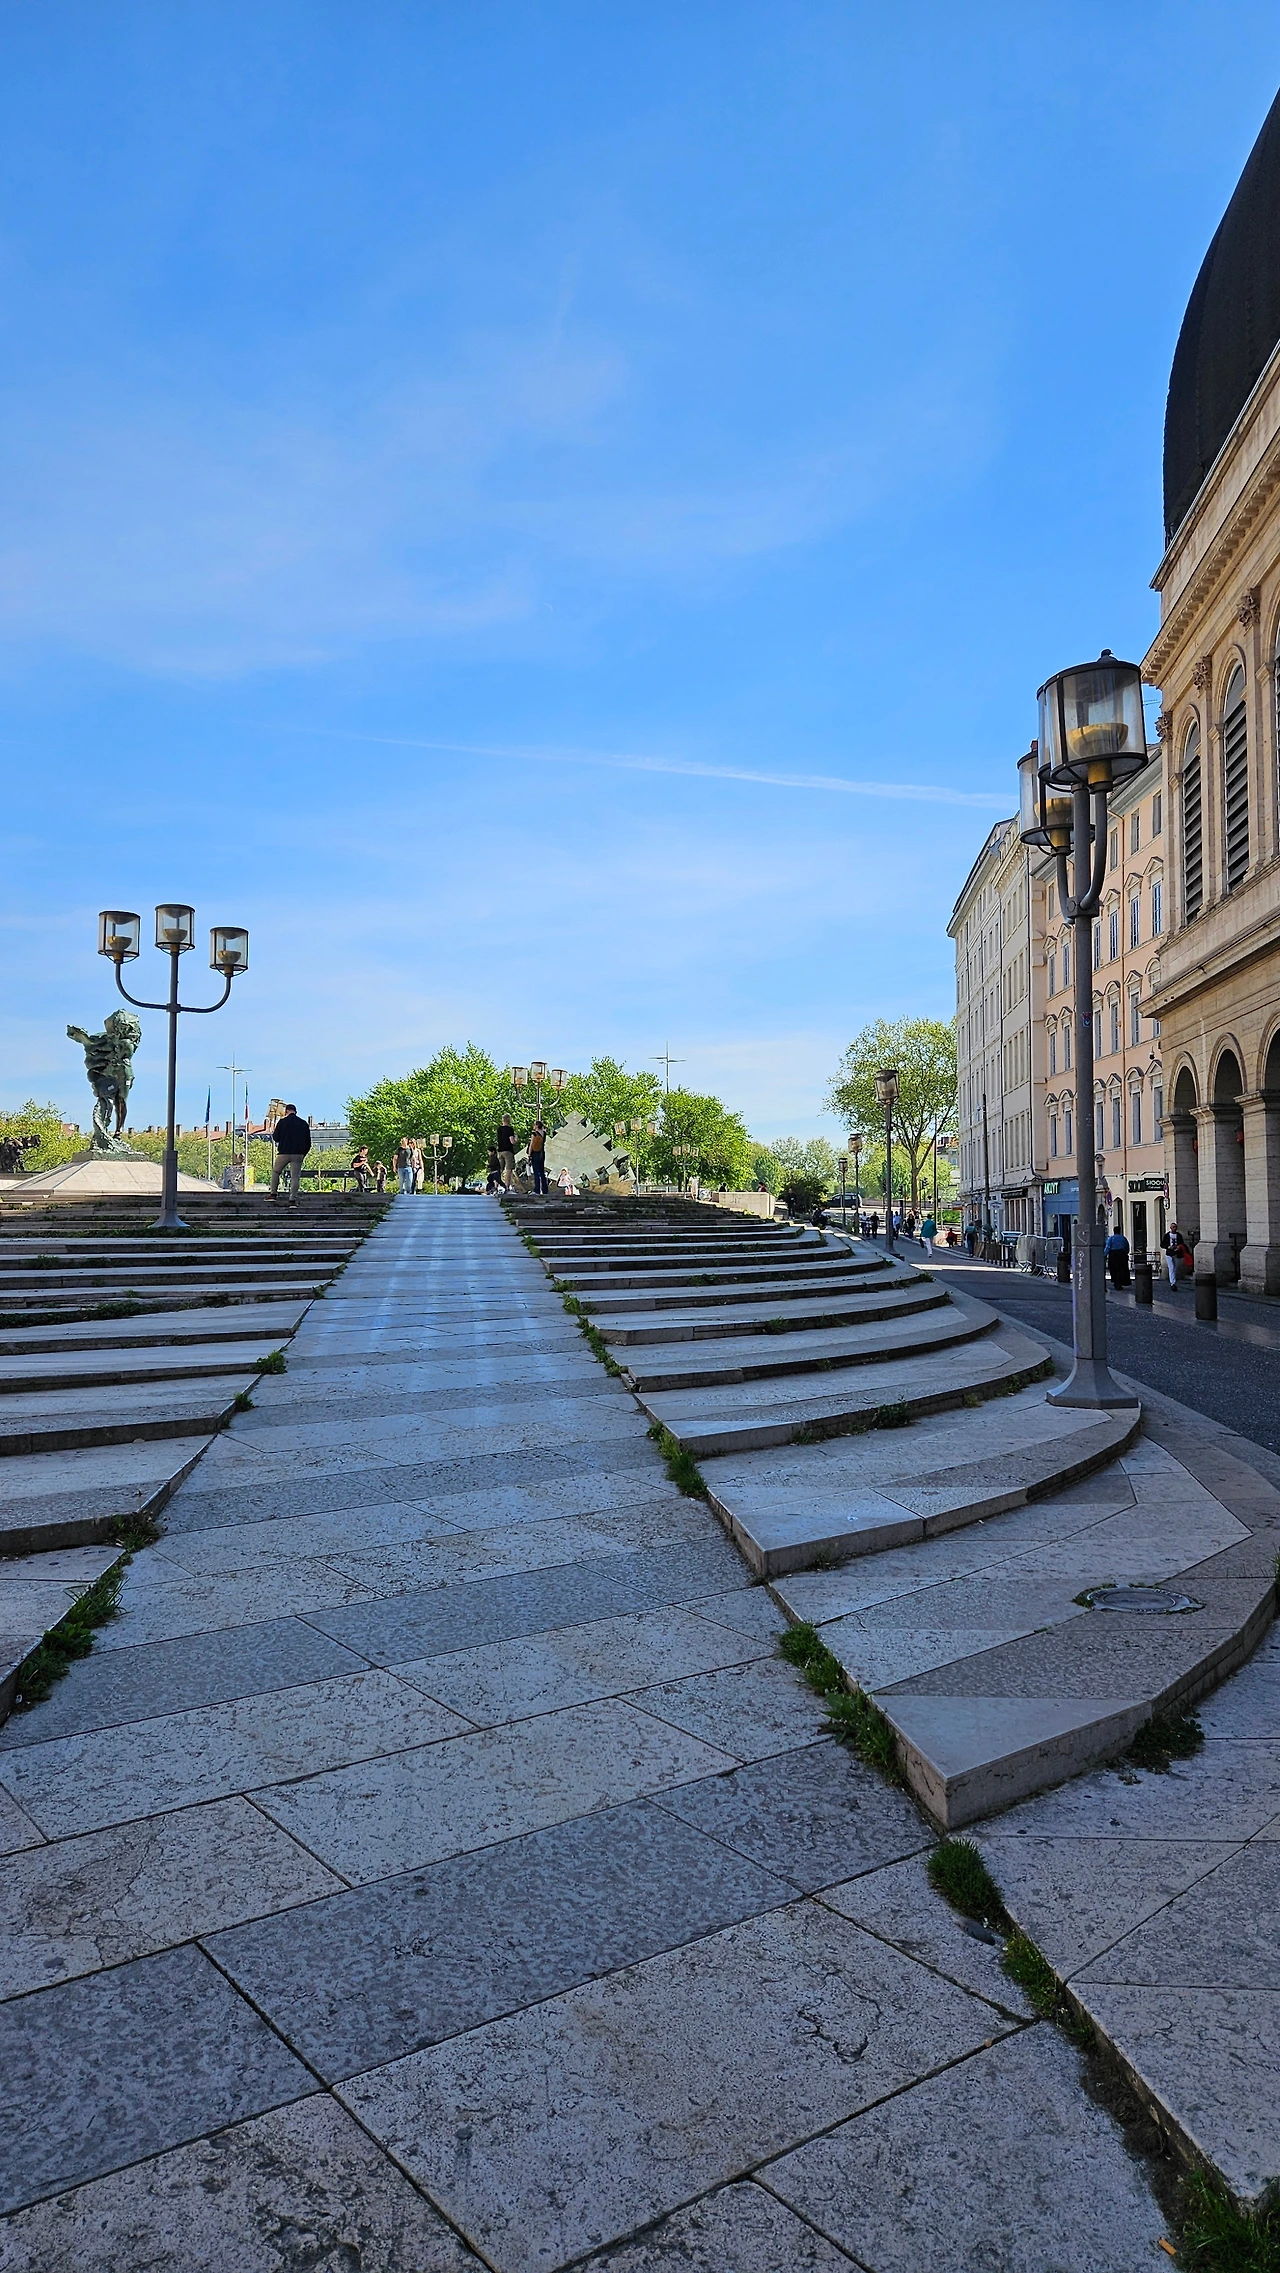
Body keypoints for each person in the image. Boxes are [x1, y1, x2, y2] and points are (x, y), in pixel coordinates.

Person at [269, 1104, 311, 1204]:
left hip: (283, 1152)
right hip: (298, 1154)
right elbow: (308, 1142)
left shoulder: (282, 1122)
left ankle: (273, 1194)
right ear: (296, 1112)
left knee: (276, 1172)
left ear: (286, 1111)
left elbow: (276, 1138)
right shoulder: (303, 1123)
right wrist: (303, 1154)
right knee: (295, 1176)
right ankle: (292, 1198)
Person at [528, 1118, 549, 1196]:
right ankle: (545, 1190)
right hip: (542, 1153)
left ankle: (537, 1190)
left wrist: (529, 1155)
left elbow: (531, 1145)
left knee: (536, 1172)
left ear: (537, 1126)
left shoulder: (534, 1134)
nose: (533, 1126)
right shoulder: (544, 1134)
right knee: (542, 1172)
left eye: (534, 1125)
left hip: (535, 1153)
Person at [497, 1115, 517, 1192]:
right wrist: (516, 1139)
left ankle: (495, 1185)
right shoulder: (509, 1129)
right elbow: (512, 1141)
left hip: (500, 1151)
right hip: (508, 1151)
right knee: (508, 1169)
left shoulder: (499, 1129)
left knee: (499, 1169)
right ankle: (506, 1187)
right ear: (509, 1120)